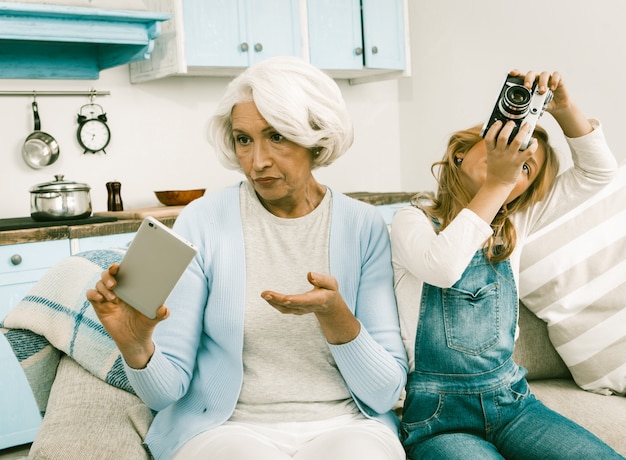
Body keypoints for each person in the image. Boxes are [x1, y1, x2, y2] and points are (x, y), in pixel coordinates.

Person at [87, 56, 408, 460]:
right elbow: (165, 393)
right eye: (244, 139)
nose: (257, 161)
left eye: (277, 136)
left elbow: (385, 391)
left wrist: (335, 317)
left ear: (316, 138)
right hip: (226, 429)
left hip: (348, 426)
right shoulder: (201, 221)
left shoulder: (364, 225)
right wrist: (136, 347)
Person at [391, 69, 624, 460]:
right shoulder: (411, 221)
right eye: (504, 145)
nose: (514, 163)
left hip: (513, 403)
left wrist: (564, 109)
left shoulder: (515, 221)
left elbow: (598, 171)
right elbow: (443, 268)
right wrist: (499, 181)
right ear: (460, 151)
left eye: (526, 168)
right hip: (439, 417)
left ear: (524, 196)